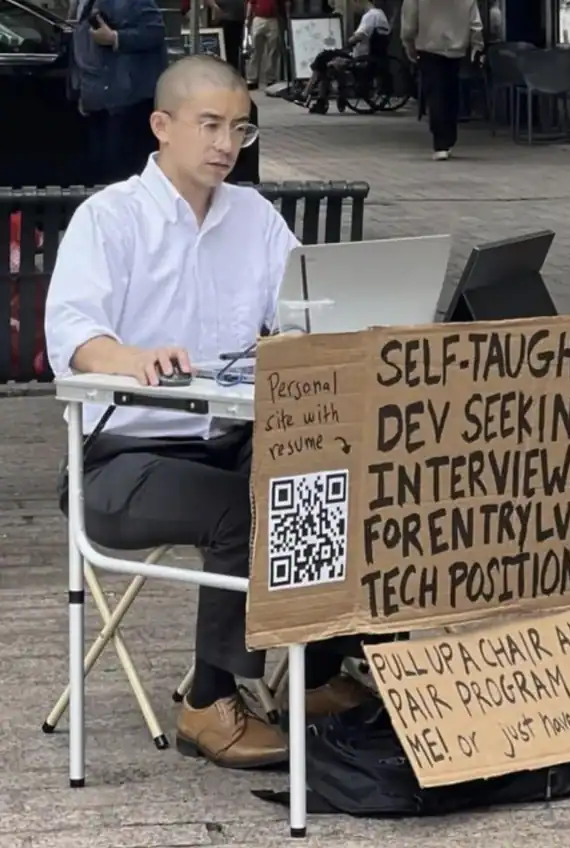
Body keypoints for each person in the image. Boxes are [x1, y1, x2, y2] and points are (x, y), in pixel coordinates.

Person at [45, 55, 376, 770]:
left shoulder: (253, 217)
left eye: (241, 129)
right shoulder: (109, 219)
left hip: (228, 433)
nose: (227, 144)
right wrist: (127, 357)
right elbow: (72, 337)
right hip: (118, 459)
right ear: (161, 126)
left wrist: (321, 335)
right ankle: (208, 700)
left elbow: (305, 310)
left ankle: (314, 674)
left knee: (332, 478)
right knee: (243, 510)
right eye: (211, 125)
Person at [70, 0, 167, 184]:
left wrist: (116, 38)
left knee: (121, 172)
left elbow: (155, 31)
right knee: (102, 171)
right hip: (98, 99)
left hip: (125, 100)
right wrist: (82, 91)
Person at [401, 0, 484, 160]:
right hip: (456, 49)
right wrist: (477, 45)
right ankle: (449, 137)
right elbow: (475, 23)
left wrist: (408, 43)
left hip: (429, 47)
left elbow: (409, 22)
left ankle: (440, 142)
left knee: (435, 92)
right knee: (451, 91)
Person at [300, 0, 390, 114]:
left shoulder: (370, 16)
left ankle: (308, 95)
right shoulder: (380, 14)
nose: (354, 9)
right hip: (371, 56)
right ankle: (314, 97)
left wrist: (349, 41)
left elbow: (359, 35)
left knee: (324, 57)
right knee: (325, 60)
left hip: (362, 56)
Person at [245, 0, 284, 89]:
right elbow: (250, 2)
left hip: (273, 18)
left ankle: (270, 79)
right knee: (254, 50)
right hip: (258, 18)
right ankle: (252, 79)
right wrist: (247, 18)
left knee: (272, 51)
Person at [206, 0, 247, 72]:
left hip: (238, 20)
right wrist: (216, 8)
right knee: (224, 48)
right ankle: (224, 69)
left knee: (234, 49)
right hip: (224, 21)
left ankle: (232, 69)